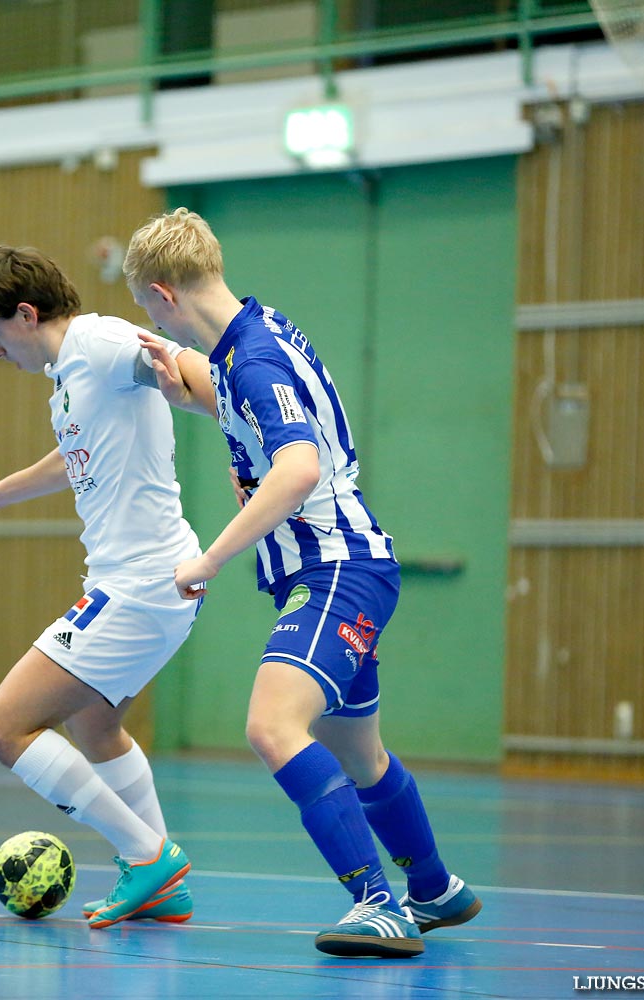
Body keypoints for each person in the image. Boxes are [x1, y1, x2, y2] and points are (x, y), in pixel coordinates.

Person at [124, 207, 480, 958]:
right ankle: (436, 888)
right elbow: (246, 409)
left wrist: (209, 558)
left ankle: (376, 903)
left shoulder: (250, 360)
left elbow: (299, 467)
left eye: (149, 311)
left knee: (271, 727)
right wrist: (180, 386)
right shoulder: (256, 334)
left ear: (162, 293)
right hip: (357, 564)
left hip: (335, 570)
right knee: (359, 755)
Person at [0, 245, 196, 929]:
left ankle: (147, 854)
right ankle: (160, 883)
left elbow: (178, 363)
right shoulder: (69, 374)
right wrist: (2, 490)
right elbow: (74, 455)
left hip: (142, 584)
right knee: (95, 723)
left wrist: (246, 421)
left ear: (27, 315)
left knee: (3, 725)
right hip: (143, 585)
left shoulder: (98, 341)